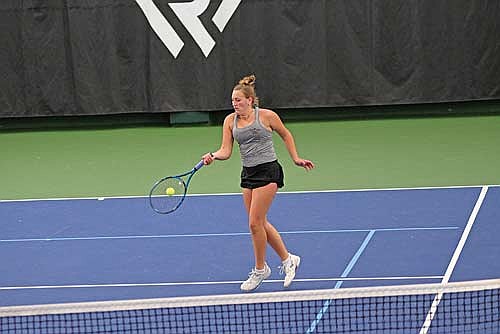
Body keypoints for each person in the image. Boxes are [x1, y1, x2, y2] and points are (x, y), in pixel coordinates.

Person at [202, 74, 314, 292]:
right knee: (260, 223)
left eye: (239, 100)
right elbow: (226, 150)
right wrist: (213, 156)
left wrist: (295, 158)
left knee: (254, 223)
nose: (235, 104)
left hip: (269, 171)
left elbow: (285, 134)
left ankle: (261, 269)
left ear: (250, 101)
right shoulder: (229, 122)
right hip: (248, 174)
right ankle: (288, 259)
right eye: (233, 101)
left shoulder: (267, 116)